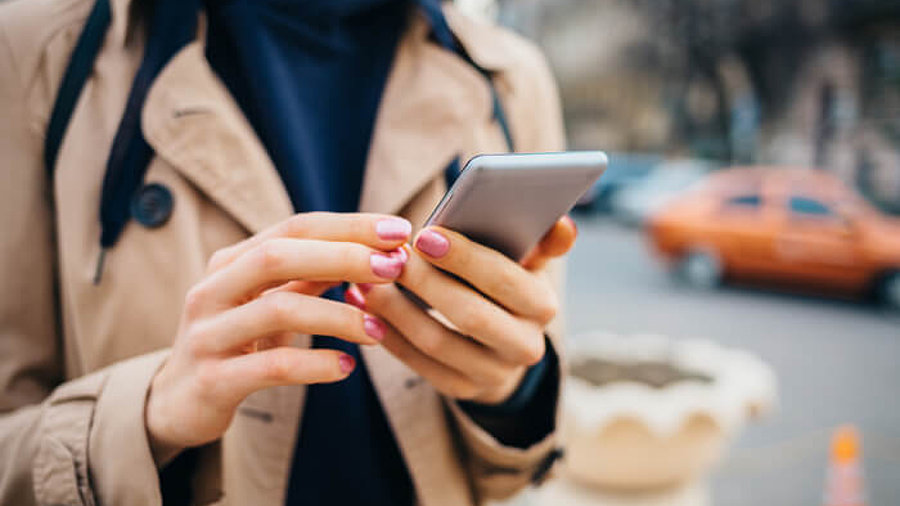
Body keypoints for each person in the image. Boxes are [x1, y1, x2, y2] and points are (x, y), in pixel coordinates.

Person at [0, 0, 573, 504]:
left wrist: (511, 391)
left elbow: (520, 467)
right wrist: (147, 417)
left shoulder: (510, 77)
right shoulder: (35, 50)